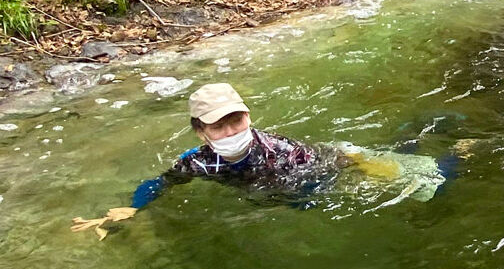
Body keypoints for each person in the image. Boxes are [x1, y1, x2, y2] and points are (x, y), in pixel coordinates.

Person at [71, 82, 456, 236]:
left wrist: (367, 167)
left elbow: (340, 159)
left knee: (429, 183)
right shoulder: (198, 162)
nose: (229, 131)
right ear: (200, 132)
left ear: (248, 118)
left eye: (235, 120)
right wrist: (128, 209)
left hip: (327, 171)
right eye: (216, 126)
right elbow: (163, 182)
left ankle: (457, 148)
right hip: (285, 196)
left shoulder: (283, 151)